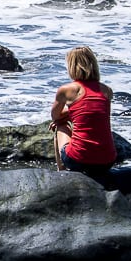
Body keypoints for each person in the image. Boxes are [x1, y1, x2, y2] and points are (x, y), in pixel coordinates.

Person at [50, 46, 116, 176]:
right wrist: (72, 114)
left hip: (78, 160)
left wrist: (63, 119)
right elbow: (92, 113)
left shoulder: (67, 90)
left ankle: (61, 172)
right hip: (108, 161)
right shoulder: (107, 91)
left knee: (60, 125)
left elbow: (55, 116)